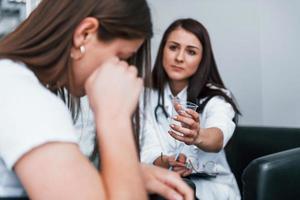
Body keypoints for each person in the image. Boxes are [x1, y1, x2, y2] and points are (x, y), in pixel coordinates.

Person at [0, 1, 193, 199]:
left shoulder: (10, 79)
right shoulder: (26, 99)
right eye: (121, 57)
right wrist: (114, 118)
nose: (125, 71)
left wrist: (130, 174)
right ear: (84, 34)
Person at [140, 18, 241, 200]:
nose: (179, 58)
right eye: (173, 47)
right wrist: (166, 162)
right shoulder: (144, 95)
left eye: (191, 52)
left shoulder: (216, 97)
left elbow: (218, 136)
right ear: (162, 49)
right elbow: (148, 147)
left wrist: (197, 136)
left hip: (210, 189)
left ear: (203, 59)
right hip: (163, 185)